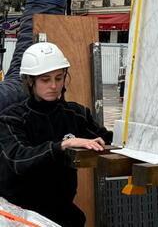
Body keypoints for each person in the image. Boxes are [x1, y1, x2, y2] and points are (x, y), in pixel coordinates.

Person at [0, 42, 112, 227]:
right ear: (29, 81)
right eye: (45, 80)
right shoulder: (11, 118)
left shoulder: (76, 115)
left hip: (62, 211)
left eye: (59, 78)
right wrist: (62, 145)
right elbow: (18, 160)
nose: (54, 85)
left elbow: (108, 140)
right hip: (21, 214)